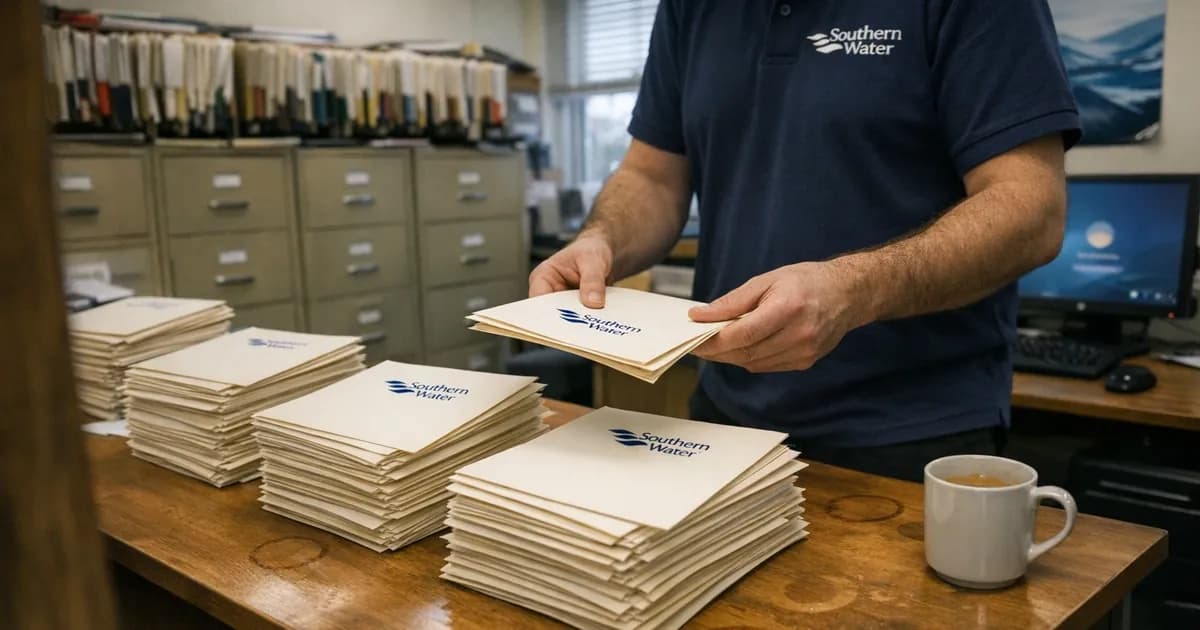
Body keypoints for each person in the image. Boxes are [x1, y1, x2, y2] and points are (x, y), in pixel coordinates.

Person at [529, 0, 1081, 481]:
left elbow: (1031, 209)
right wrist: (601, 239)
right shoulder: (691, 7)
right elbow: (653, 178)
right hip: (725, 419)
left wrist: (852, 288)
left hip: (910, 434)